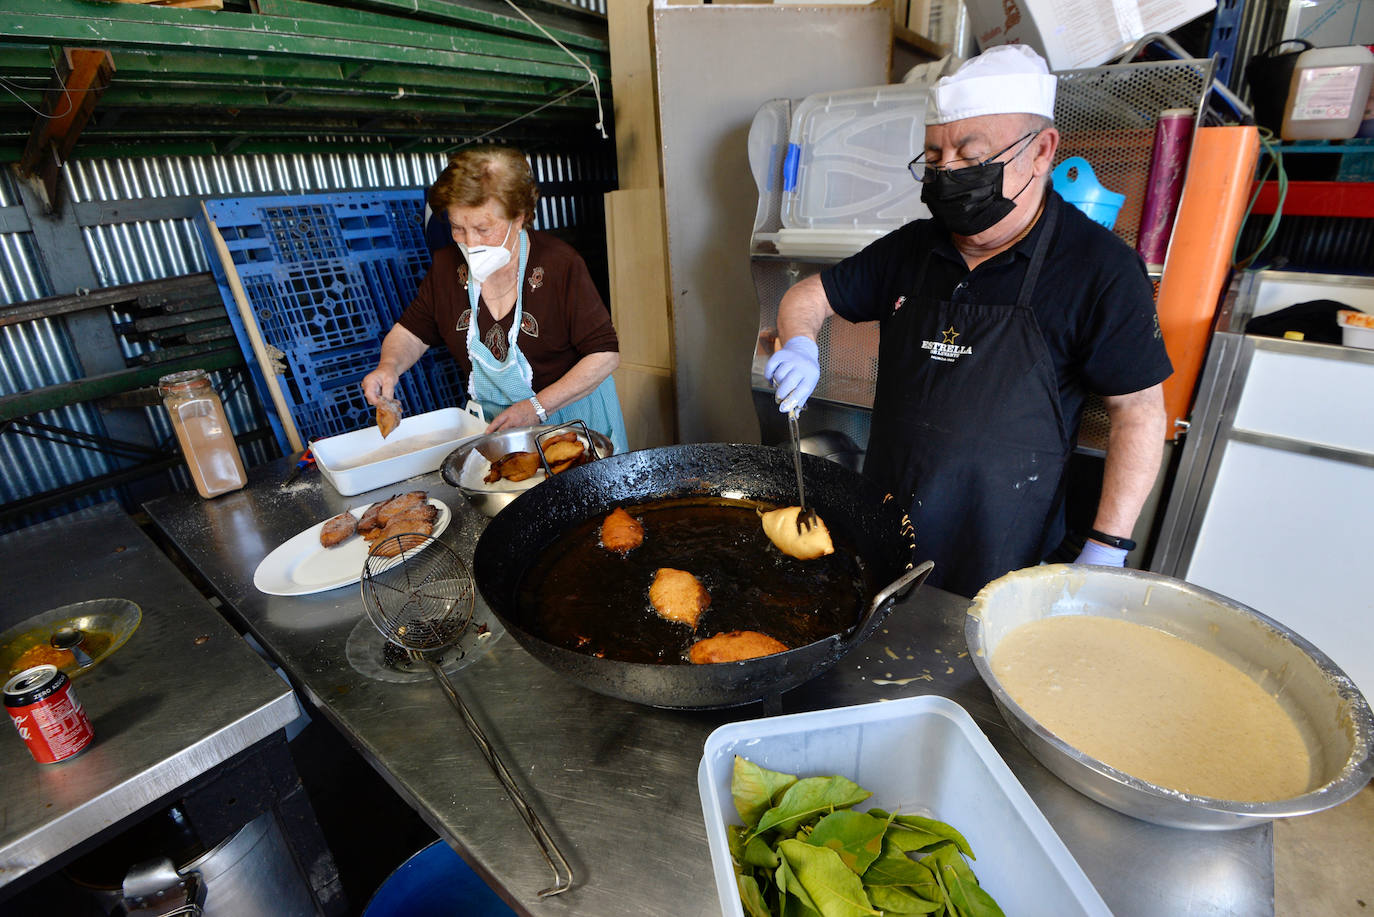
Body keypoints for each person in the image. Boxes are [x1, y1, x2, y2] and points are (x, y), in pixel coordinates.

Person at [765, 45, 1172, 598]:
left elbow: (1140, 413)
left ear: (1042, 151)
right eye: (934, 158)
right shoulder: (912, 248)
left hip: (1005, 554)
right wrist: (800, 343)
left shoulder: (1099, 269)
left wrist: (1108, 544)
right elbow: (809, 295)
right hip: (885, 533)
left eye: (971, 155)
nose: (949, 172)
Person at [362, 146, 628, 454]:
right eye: (458, 227)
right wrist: (389, 366)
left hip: (575, 424)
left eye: (483, 229)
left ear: (519, 217)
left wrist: (536, 407)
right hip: (503, 432)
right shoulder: (447, 267)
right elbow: (411, 332)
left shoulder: (560, 264)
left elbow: (605, 355)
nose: (470, 242)